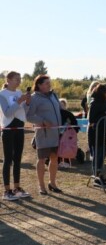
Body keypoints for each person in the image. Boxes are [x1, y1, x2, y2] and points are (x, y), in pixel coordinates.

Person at [26, 75, 63, 195]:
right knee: (41, 160)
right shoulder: (34, 98)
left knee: (54, 158)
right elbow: (29, 116)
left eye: (49, 82)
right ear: (39, 85)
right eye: (47, 83)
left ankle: (52, 183)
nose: (49, 85)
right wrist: (42, 121)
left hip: (55, 133)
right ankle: (41, 186)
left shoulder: (53, 95)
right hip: (43, 134)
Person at [0, 71, 31, 200]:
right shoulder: (2, 94)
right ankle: (7, 191)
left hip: (19, 127)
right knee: (8, 159)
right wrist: (19, 101)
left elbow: (24, 112)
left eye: (20, 79)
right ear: (8, 80)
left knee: (18, 158)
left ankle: (17, 188)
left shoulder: (19, 93)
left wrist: (27, 102)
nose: (19, 81)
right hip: (8, 128)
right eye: (16, 79)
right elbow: (7, 113)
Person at [88, 83, 106, 187]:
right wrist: (104, 115)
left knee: (104, 152)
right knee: (97, 154)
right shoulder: (94, 103)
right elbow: (92, 120)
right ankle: (96, 177)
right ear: (102, 92)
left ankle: (99, 174)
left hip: (104, 132)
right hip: (95, 132)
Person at [58, 98, 79, 168]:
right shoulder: (56, 114)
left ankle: (66, 162)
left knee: (66, 147)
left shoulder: (69, 114)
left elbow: (75, 124)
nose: (61, 106)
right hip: (58, 133)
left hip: (67, 134)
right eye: (60, 105)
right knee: (58, 147)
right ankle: (58, 161)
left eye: (63, 105)